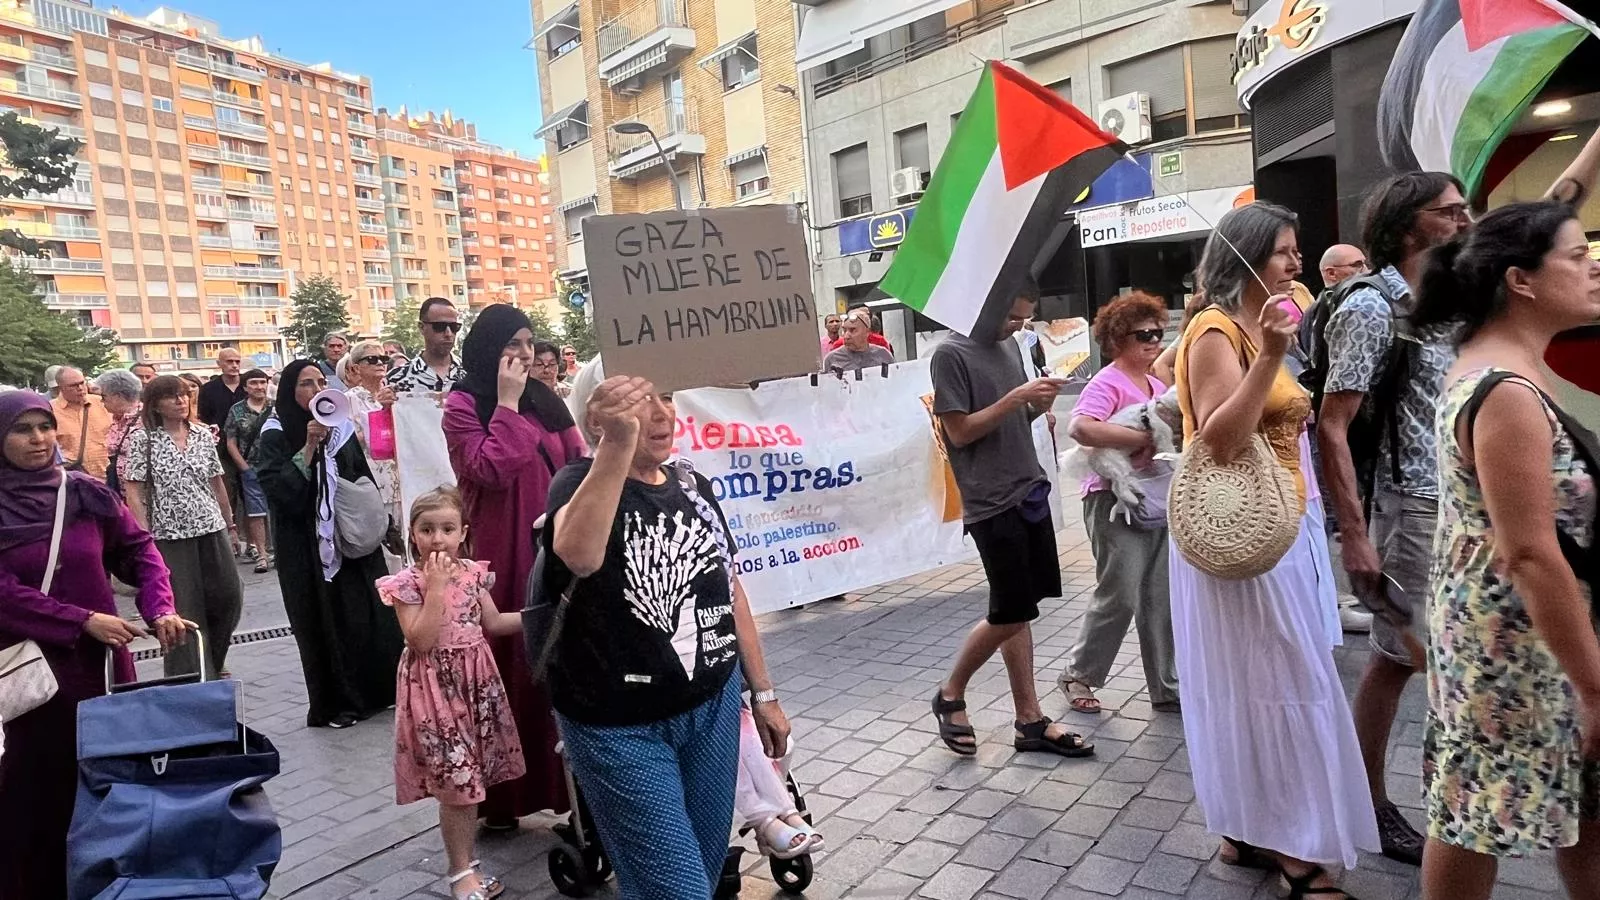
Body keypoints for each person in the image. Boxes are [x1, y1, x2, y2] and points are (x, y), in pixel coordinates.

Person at [1172, 202, 1377, 895]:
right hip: (1244, 536)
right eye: (1286, 252)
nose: (1297, 263)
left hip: (1285, 525)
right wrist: (1271, 356)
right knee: (1278, 684)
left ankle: (1252, 829)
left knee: (1271, 681)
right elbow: (1221, 438)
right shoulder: (1214, 331)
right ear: (1249, 258)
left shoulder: (1261, 328)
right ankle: (1290, 843)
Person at [1409, 201, 1600, 900]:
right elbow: (1530, 553)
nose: (1592, 267)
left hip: (1507, 628)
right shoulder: (1506, 390)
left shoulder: (1498, 361)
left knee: (1569, 805)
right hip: (1518, 644)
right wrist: (1595, 687)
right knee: (1473, 811)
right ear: (1520, 280)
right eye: (1577, 256)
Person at [544, 374, 791, 899]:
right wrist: (616, 444)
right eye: (639, 403)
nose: (660, 414)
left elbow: (730, 590)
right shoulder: (576, 482)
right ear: (597, 417)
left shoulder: (691, 483)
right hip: (620, 728)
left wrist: (763, 692)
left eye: (666, 398)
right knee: (677, 890)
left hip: (711, 709)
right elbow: (580, 554)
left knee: (698, 871)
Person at [0, 391, 186, 900]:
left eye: (44, 426)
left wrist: (159, 606)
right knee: (37, 796)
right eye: (23, 429)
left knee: (109, 784)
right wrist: (82, 620)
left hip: (101, 670)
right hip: (32, 681)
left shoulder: (82, 493)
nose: (39, 439)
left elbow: (138, 549)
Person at [927, 279, 1094, 761]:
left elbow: (1005, 425)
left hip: (1028, 486)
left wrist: (1034, 408)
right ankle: (951, 693)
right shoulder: (950, 355)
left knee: (1022, 606)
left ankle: (1029, 719)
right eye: (1012, 316)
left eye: (1025, 317)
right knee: (1011, 609)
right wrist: (1016, 399)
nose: (1018, 325)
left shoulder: (1010, 347)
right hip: (990, 499)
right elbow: (959, 433)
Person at [443, 304, 587, 829]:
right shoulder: (463, 404)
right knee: (513, 671)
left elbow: (578, 462)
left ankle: (578, 795)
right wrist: (505, 405)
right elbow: (490, 469)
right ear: (489, 348)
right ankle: (505, 801)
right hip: (505, 554)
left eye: (530, 343)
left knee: (566, 664)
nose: (525, 354)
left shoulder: (548, 399)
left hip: (560, 545)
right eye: (514, 343)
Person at [377, 487, 526, 900]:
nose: (437, 538)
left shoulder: (475, 574)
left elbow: (494, 623)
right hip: (433, 692)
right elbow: (420, 640)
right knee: (458, 782)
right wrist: (437, 587)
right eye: (427, 530)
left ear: (463, 532)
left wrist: (545, 615)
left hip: (475, 684)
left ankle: (468, 863)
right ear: (413, 534)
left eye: (446, 529)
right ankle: (461, 872)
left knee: (473, 777)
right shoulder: (407, 584)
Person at [254, 360, 404, 728]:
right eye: (306, 384)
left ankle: (380, 692)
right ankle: (339, 704)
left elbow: (361, 478)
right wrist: (308, 445)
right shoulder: (275, 433)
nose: (316, 389)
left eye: (321, 381)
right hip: (307, 547)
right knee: (325, 622)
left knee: (368, 616)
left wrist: (383, 526)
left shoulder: (342, 429)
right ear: (291, 391)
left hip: (351, 542)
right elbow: (280, 491)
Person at [1058, 291, 1178, 714]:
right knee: (1121, 593)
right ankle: (1079, 674)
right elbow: (1081, 429)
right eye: (1143, 333)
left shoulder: (1157, 384)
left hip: (1156, 498)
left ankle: (1166, 685)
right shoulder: (1107, 381)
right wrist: (1141, 438)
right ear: (1116, 338)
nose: (1153, 340)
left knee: (1160, 596)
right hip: (1112, 499)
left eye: (1158, 332)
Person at [122, 375, 243, 680]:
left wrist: (230, 524)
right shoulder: (143, 439)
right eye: (171, 396)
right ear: (156, 404)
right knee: (183, 606)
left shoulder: (203, 435)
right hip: (169, 534)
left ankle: (213, 658)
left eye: (184, 394)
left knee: (229, 595)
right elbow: (134, 490)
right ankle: (187, 674)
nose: (180, 401)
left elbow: (217, 481)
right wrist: (143, 535)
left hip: (210, 525)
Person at [343, 340, 401, 530]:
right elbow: (347, 442)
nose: (379, 363)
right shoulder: (349, 399)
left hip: (400, 477)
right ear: (355, 368)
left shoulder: (396, 393)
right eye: (372, 359)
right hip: (370, 479)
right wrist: (378, 421)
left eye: (383, 359)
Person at [199, 349, 249, 555]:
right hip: (221, 449)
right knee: (227, 493)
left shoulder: (248, 384)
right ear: (219, 363)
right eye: (229, 361)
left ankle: (253, 543)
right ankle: (232, 538)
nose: (234, 365)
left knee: (251, 497)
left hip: (249, 447)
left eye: (237, 361)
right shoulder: (210, 389)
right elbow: (205, 417)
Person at [225, 369, 274, 573]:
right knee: (256, 513)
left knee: (278, 510)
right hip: (251, 467)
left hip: (275, 467)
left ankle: (278, 551)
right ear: (245, 387)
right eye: (253, 383)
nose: (259, 387)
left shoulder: (275, 407)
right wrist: (244, 468)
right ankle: (261, 554)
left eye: (262, 382)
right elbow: (231, 442)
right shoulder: (236, 410)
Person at [387, 297, 466, 394]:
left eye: (454, 327)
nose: (448, 333)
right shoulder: (397, 378)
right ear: (421, 327)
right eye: (439, 326)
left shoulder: (470, 375)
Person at [51, 366, 113, 479]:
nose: (80, 388)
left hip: (108, 478)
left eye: (82, 383)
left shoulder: (102, 403)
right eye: (73, 385)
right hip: (75, 481)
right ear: (61, 388)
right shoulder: (50, 410)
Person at [94, 368, 142, 498]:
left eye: (104, 397)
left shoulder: (145, 420)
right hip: (118, 492)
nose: (101, 401)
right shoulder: (113, 419)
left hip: (139, 496)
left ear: (118, 396)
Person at [822, 311, 895, 373]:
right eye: (844, 330)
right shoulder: (832, 359)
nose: (846, 336)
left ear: (867, 332)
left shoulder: (883, 355)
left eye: (852, 330)